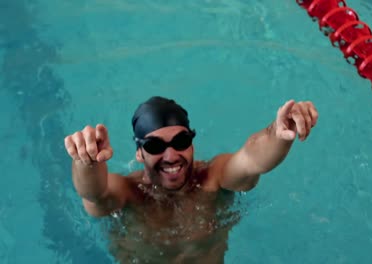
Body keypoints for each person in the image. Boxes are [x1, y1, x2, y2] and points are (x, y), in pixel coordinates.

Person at [64, 96, 318, 263]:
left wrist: (278, 132)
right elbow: (94, 194)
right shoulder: (128, 193)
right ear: (139, 153)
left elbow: (252, 158)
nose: (171, 155)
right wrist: (86, 160)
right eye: (155, 146)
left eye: (181, 141)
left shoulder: (213, 178)